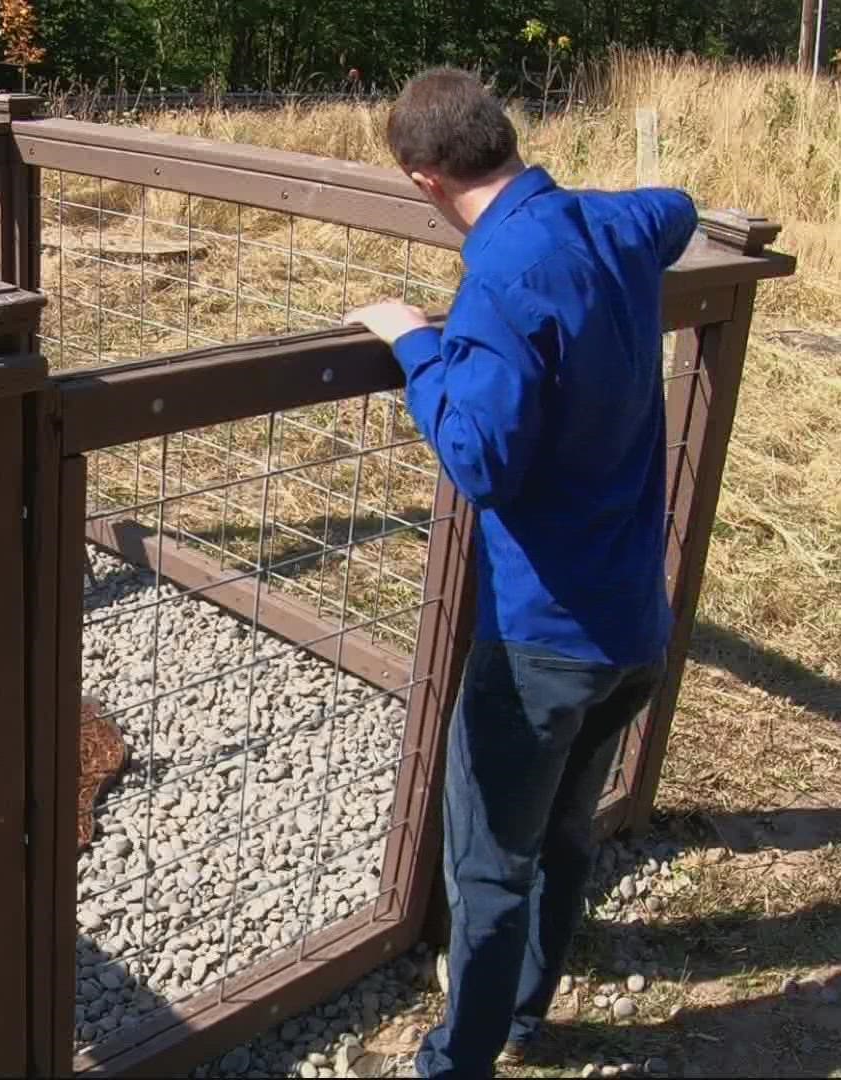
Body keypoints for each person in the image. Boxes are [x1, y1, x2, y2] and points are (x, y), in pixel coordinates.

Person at [344, 69, 699, 1078]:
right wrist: (600, 218)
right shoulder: (612, 227)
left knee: (489, 863)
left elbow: (481, 458)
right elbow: (678, 209)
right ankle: (528, 1015)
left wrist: (416, 340)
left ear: (423, 178)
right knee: (568, 833)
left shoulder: (499, 282)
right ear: (505, 138)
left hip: (542, 638)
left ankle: (459, 1060)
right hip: (634, 623)